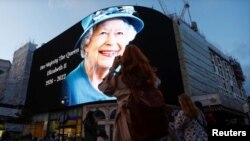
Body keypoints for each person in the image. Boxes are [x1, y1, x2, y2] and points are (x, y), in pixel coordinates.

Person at [62, 6, 144, 106]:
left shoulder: (132, 78)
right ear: (86, 44)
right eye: (103, 33)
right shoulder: (71, 84)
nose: (111, 42)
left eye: (119, 33)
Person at [98, 45, 168, 141]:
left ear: (124, 60)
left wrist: (113, 68)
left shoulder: (121, 79)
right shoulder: (151, 78)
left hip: (130, 127)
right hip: (153, 128)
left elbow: (103, 87)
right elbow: (157, 84)